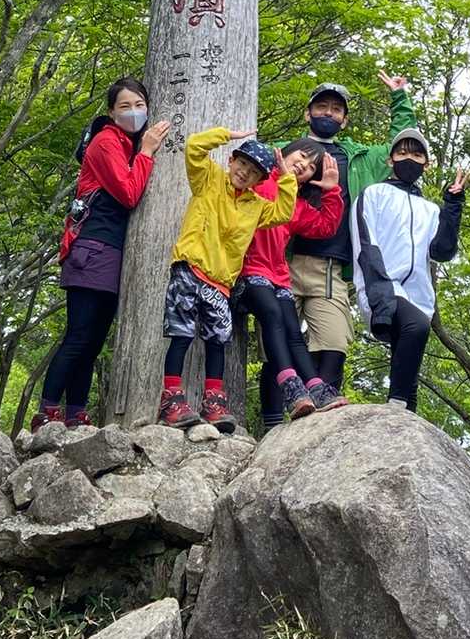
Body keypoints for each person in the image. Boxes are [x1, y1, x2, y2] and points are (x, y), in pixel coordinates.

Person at [33, 78, 169, 431]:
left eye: (139, 104)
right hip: (92, 248)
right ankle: (47, 411)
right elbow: (128, 193)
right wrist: (148, 152)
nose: (134, 112)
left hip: (110, 253)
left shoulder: (126, 143)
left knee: (93, 342)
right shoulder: (106, 141)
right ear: (111, 112)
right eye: (125, 106)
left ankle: (75, 412)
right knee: (79, 336)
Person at [286, 71, 419, 393]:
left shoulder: (359, 157)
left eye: (336, 109)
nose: (328, 113)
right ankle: (273, 420)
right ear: (307, 114)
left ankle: (325, 414)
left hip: (331, 268)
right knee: (276, 349)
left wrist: (399, 98)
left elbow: (401, 146)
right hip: (281, 262)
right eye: (322, 107)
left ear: (344, 120)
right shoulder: (286, 151)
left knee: (333, 344)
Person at [159, 127, 298, 433]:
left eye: (254, 172)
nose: (244, 172)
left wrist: (286, 176)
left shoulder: (256, 205)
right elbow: (194, 147)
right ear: (232, 160)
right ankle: (171, 401)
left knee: (217, 341)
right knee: (181, 335)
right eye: (242, 163)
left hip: (221, 282)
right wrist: (226, 134)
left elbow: (283, 212)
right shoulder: (208, 178)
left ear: (259, 181)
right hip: (189, 268)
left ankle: (214, 403)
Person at [234, 138, 350, 428]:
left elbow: (326, 226)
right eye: (302, 155)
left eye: (311, 167)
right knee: (273, 315)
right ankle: (290, 386)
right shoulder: (258, 181)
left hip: (278, 276)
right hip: (248, 271)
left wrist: (332, 189)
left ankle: (315, 388)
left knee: (294, 332)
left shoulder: (296, 204)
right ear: (285, 152)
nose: (303, 165)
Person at [350, 127, 467, 411]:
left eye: (417, 155)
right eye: (402, 152)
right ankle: (395, 410)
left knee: (409, 377)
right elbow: (366, 244)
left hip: (420, 298)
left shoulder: (430, 209)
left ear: (426, 164)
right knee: (416, 327)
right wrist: (380, 293)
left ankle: (404, 420)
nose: (409, 158)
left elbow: (441, 252)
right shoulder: (373, 194)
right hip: (381, 288)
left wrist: (452, 206)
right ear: (390, 160)